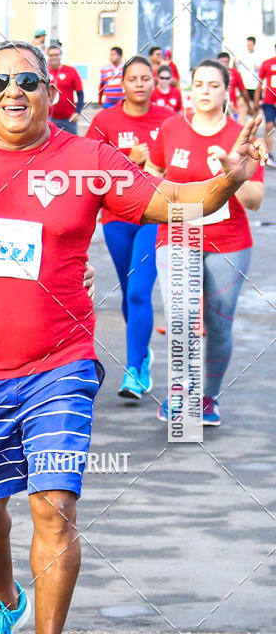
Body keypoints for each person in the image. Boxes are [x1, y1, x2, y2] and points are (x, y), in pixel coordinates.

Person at [0, 41, 264, 634]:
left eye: (28, 80)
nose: (14, 91)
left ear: (53, 91)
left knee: (55, 508)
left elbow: (172, 201)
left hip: (61, 366)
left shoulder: (86, 161)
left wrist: (230, 179)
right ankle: (4, 598)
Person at [149, 59, 265, 426]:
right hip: (178, 232)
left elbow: (255, 201)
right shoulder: (170, 128)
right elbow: (152, 174)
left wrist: (233, 174)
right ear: (190, 88)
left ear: (226, 91)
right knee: (181, 315)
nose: (204, 91)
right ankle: (179, 391)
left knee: (218, 324)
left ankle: (208, 397)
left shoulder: (241, 135)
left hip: (229, 241)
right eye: (198, 84)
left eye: (213, 85)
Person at [86, 56, 175, 400]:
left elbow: (181, 170)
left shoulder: (168, 120)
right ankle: (143, 352)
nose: (139, 83)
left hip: (155, 217)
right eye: (132, 78)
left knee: (139, 291)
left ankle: (134, 369)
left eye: (145, 78)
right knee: (128, 292)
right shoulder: (105, 120)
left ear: (155, 82)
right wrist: (129, 159)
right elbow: (89, 171)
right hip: (117, 218)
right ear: (121, 84)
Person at [47, 43, 83, 133]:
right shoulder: (44, 72)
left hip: (69, 119)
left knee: (72, 145)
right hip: (49, 118)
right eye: (51, 55)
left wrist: (77, 112)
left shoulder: (71, 71)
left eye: (56, 55)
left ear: (61, 56)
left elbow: (80, 94)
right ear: (48, 56)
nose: (54, 57)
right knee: (50, 145)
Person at [254, 43, 276, 164]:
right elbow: (259, 83)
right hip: (270, 101)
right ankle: (269, 154)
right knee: (269, 126)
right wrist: (256, 101)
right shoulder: (267, 64)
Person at [217, 52, 250, 121]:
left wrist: (248, 106)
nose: (224, 64)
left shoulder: (235, 73)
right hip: (217, 106)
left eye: (226, 62)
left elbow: (243, 90)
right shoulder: (213, 73)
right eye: (222, 62)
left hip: (232, 106)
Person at [237, 36, 260, 106]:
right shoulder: (241, 56)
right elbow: (237, 66)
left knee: (255, 106)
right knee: (243, 105)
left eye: (250, 45)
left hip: (254, 86)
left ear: (254, 45)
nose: (249, 47)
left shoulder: (259, 56)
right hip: (244, 85)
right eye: (248, 45)